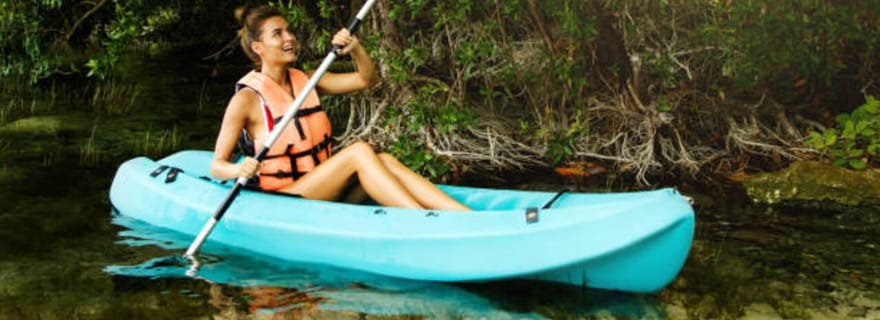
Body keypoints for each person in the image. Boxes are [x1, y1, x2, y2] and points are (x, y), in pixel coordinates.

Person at [210, 5, 469, 211]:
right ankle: (422, 221)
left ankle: (463, 217)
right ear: (258, 47)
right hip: (283, 200)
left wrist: (355, 49)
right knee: (357, 152)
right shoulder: (246, 99)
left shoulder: (310, 79)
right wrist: (237, 169)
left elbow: (367, 80)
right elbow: (217, 166)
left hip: (319, 187)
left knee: (384, 160)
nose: (289, 37)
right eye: (277, 34)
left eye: (289, 31)